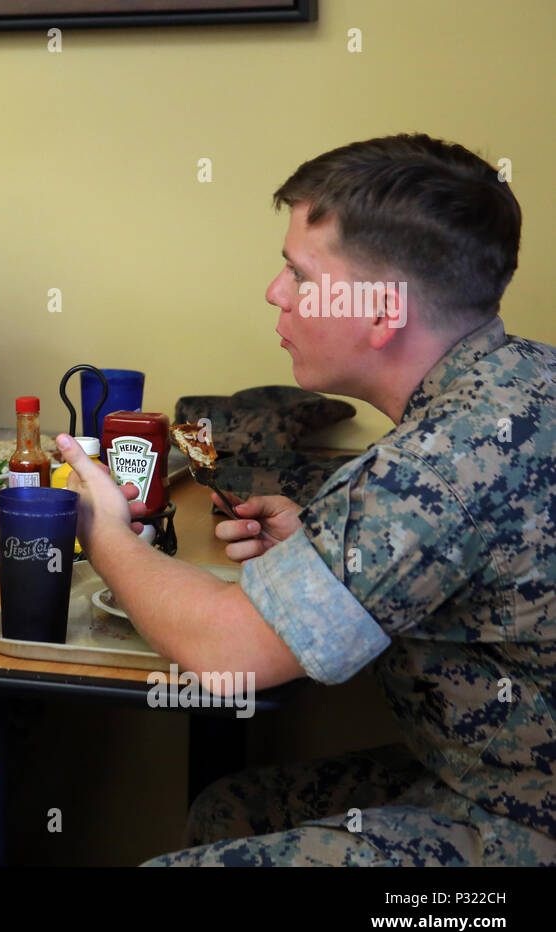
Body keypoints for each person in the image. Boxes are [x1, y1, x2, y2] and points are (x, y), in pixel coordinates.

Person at [59, 133, 555, 866]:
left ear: (383, 314)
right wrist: (321, 544)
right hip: (511, 782)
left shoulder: (434, 464)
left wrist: (103, 529)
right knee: (234, 810)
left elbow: (228, 653)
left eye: (299, 274)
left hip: (525, 827)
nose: (274, 291)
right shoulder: (520, 383)